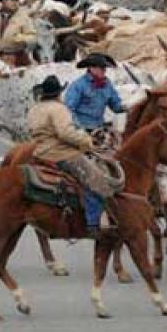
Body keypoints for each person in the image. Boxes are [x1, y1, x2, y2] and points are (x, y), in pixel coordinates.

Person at [27, 75, 115, 237]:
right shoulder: (59, 109)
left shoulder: (35, 109)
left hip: (40, 153)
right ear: (58, 93)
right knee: (97, 180)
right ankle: (93, 224)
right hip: (60, 154)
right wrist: (87, 141)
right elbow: (65, 133)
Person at [63, 53, 126, 133]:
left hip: (100, 127)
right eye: (101, 68)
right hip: (83, 129)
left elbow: (115, 104)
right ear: (91, 68)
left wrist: (124, 108)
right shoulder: (78, 85)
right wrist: (78, 128)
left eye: (104, 68)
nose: (104, 70)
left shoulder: (107, 84)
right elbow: (68, 109)